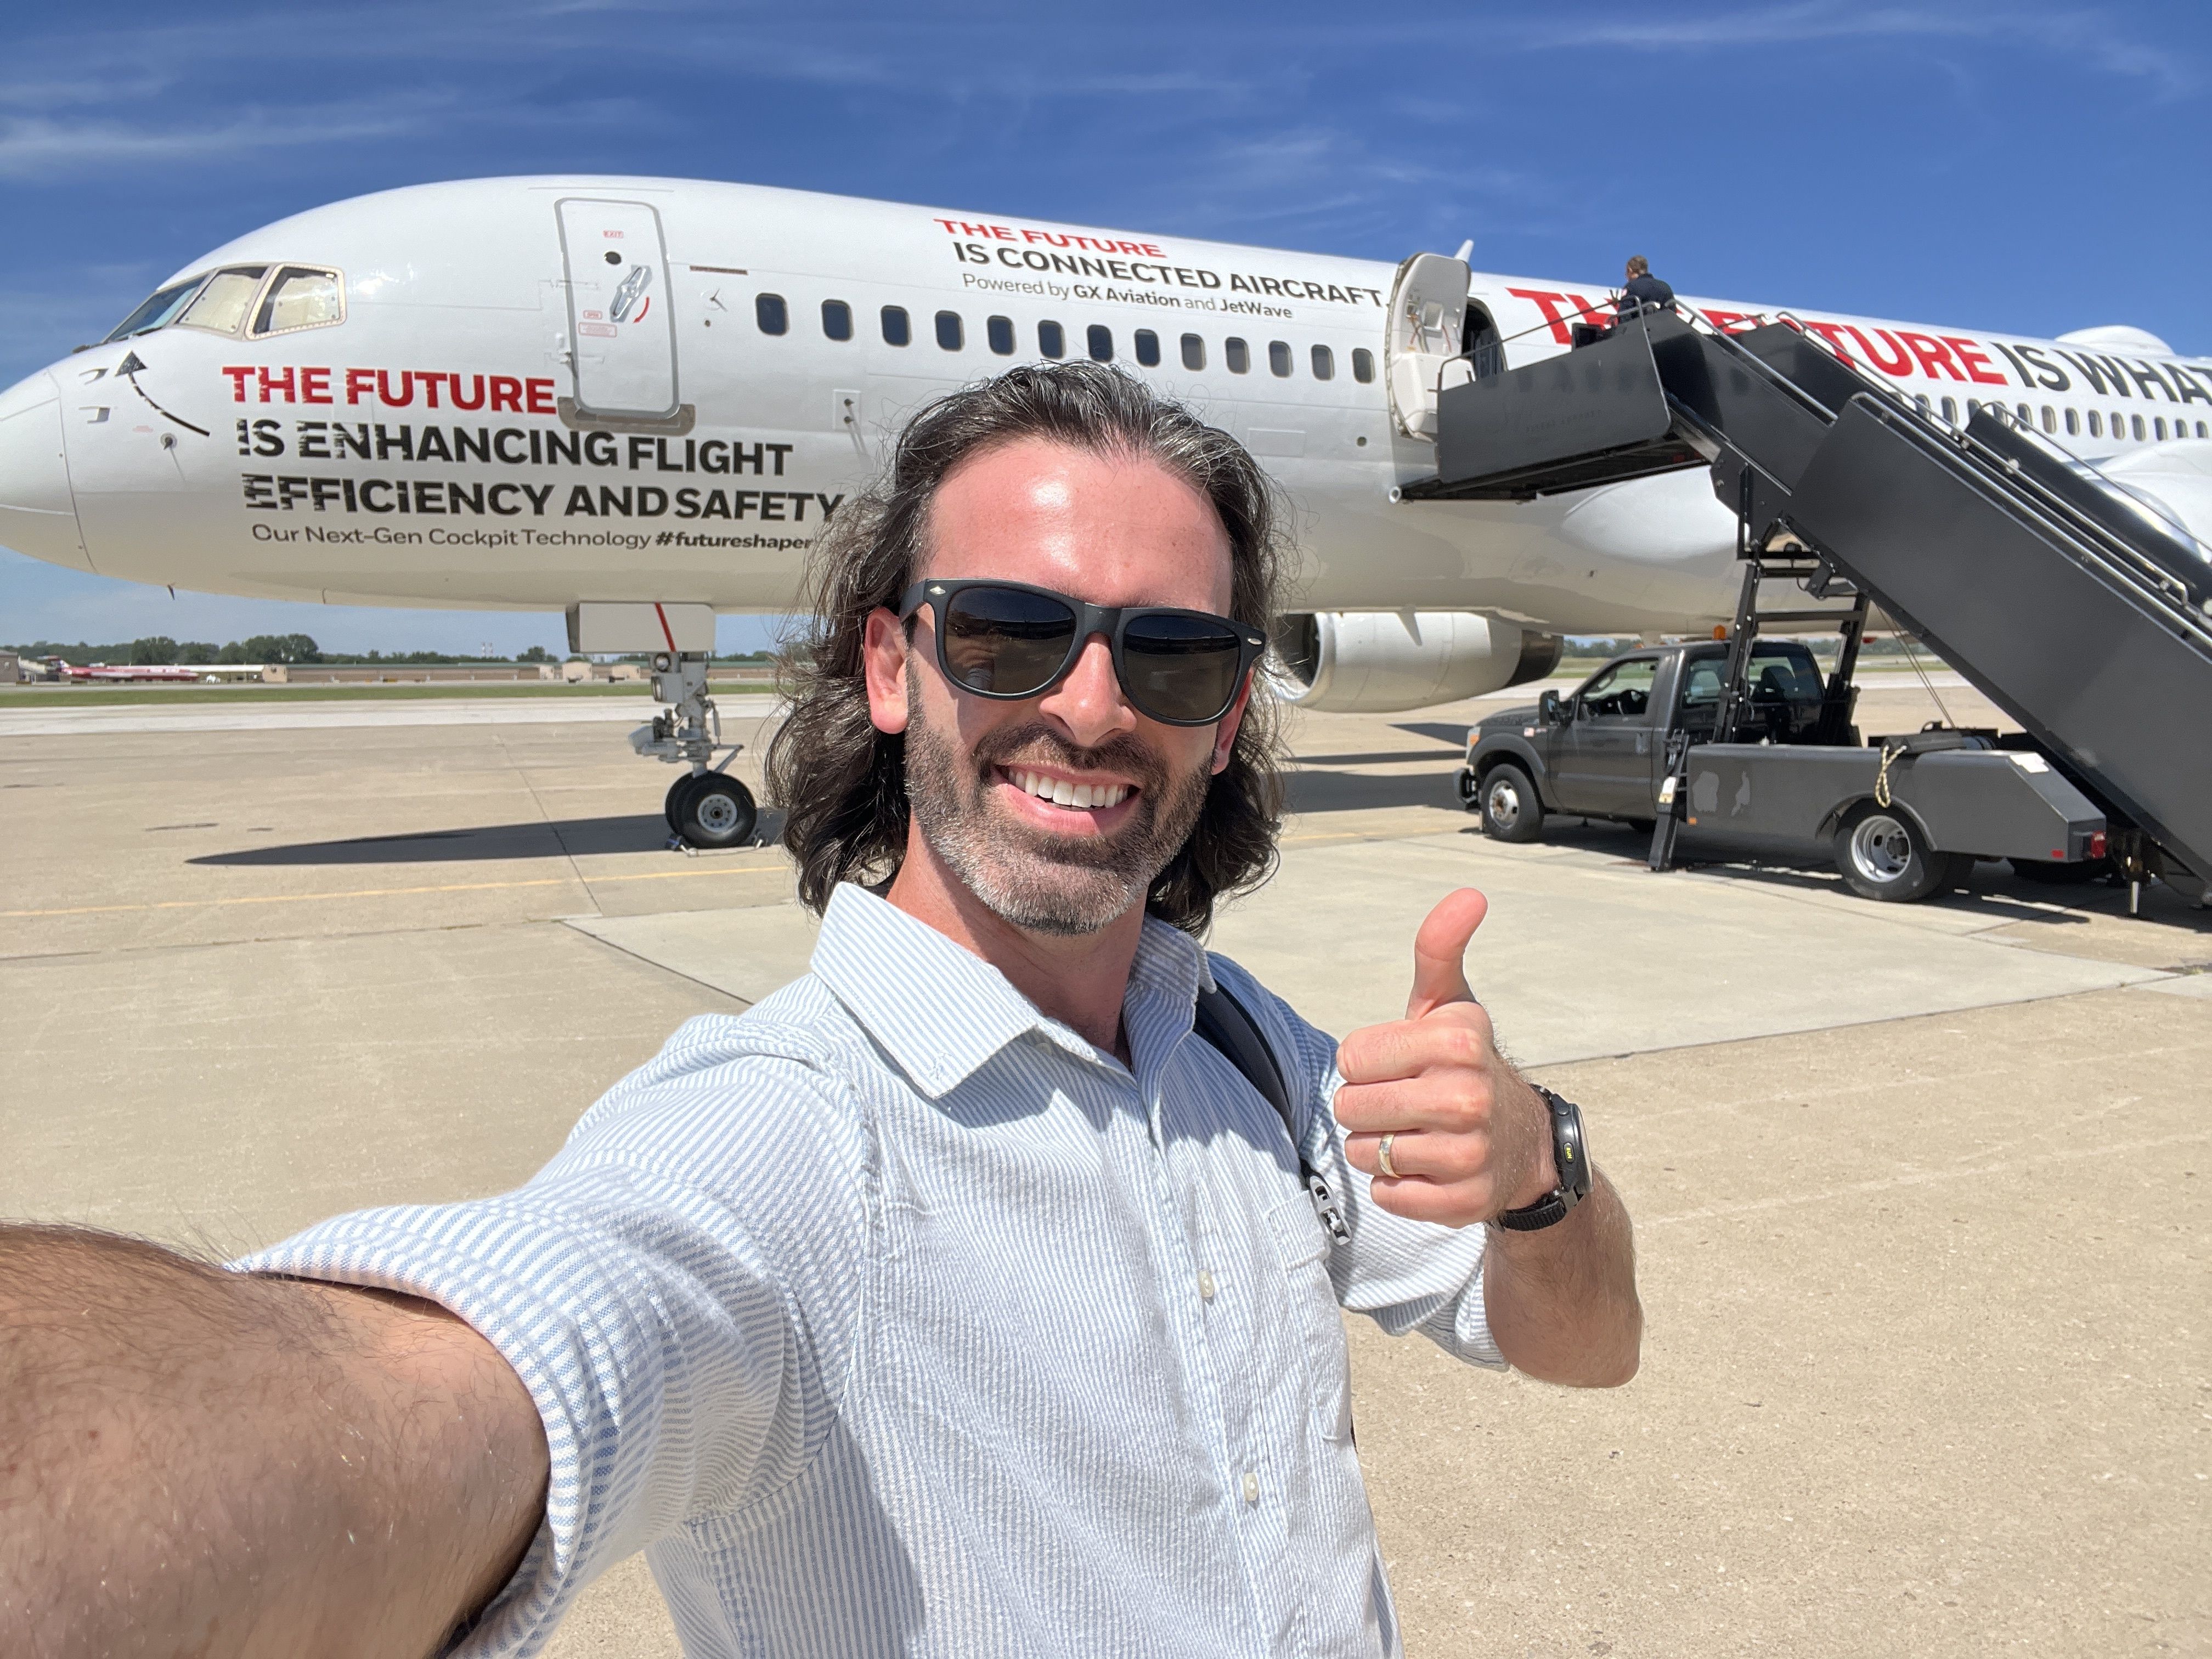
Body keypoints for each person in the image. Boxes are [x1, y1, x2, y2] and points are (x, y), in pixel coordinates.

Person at [1, 363, 1641, 1658]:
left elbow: (1588, 1348)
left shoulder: (1248, 1048)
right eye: (1009, 634)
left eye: (1176, 657)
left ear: (1225, 720)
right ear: (886, 667)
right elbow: (489, 1369)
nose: (1089, 704)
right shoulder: (769, 1138)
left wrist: (1539, 1170)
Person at [1616, 255, 1675, 322]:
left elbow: (1624, 316)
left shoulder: (1631, 287)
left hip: (1639, 330)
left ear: (1630, 270)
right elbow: (1672, 316)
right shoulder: (1665, 287)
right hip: (1666, 331)